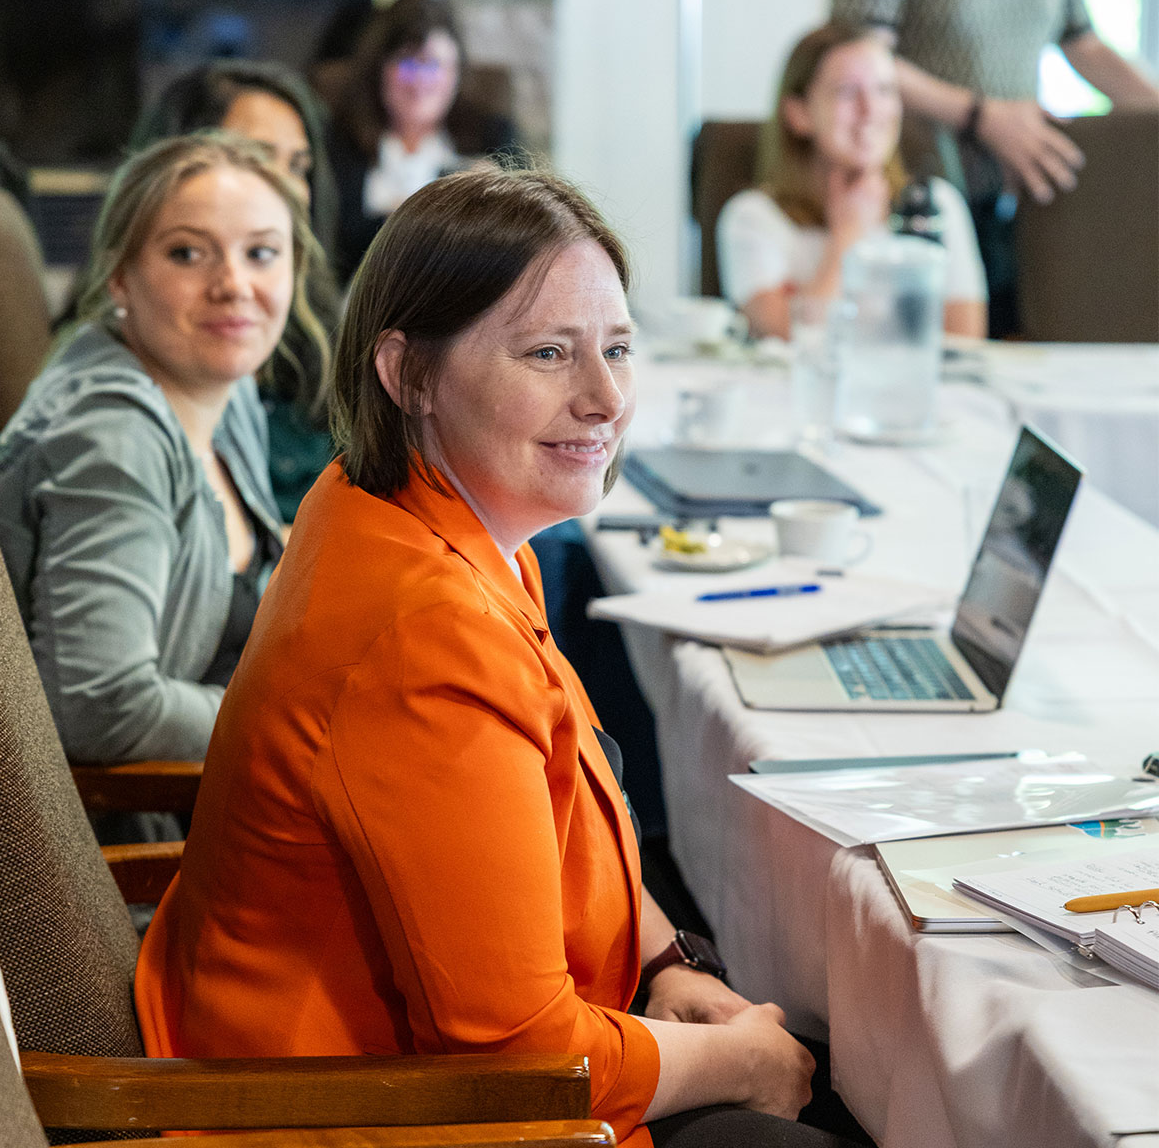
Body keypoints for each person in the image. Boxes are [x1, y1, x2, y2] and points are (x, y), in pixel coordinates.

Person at [134, 168, 859, 1148]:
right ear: (409, 375)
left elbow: (550, 805)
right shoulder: (422, 631)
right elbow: (521, 1061)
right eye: (549, 353)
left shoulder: (409, 505)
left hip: (410, 1059)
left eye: (617, 349)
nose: (604, 398)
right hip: (351, 1107)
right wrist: (739, 1060)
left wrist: (666, 966)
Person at [0, 131, 328, 780]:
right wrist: (307, 730)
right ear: (119, 275)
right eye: (188, 253)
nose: (234, 285)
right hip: (138, 843)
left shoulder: (222, 389)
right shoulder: (114, 439)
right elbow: (103, 706)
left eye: (261, 253)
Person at [831, 0, 1159, 336]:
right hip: (921, 184)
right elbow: (859, 56)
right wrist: (980, 115)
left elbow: (1084, 46)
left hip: (1019, 186)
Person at [130, 61, 342, 519]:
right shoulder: (132, 393)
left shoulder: (312, 319)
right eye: (260, 160)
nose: (290, 188)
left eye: (299, 166)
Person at [717, 23, 987, 342]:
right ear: (799, 113)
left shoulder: (937, 205)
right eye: (847, 92)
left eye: (884, 90)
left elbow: (964, 340)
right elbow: (788, 338)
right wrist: (847, 238)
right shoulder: (753, 217)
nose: (870, 110)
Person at [325, 0, 521, 284]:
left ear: (456, 72)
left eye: (433, 65)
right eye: (407, 64)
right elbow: (329, 251)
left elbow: (524, 241)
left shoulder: (492, 137)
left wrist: (498, 200)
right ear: (380, 70)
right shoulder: (340, 140)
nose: (420, 81)